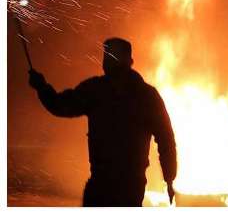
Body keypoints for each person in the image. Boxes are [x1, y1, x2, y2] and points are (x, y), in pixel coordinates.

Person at [28, 37, 177, 207]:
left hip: (101, 186)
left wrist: (41, 87)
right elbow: (166, 140)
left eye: (107, 57)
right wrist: (169, 178)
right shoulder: (148, 96)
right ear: (130, 61)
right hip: (130, 188)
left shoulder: (96, 90)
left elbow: (60, 106)